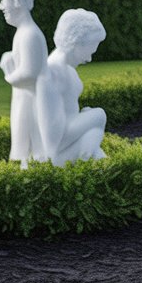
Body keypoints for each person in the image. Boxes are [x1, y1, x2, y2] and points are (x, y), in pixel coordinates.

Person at [41, 9, 107, 166]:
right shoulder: (52, 73)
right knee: (98, 114)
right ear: (76, 42)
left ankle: (89, 141)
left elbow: (73, 118)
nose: (90, 59)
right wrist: (97, 118)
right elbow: (53, 141)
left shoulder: (68, 70)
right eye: (89, 50)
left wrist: (93, 134)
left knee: (95, 149)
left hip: (71, 144)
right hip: (56, 156)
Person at [0, 0, 52, 167]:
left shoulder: (29, 34)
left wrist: (8, 74)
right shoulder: (23, 33)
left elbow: (29, 73)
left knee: (33, 144)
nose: (1, 6)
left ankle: (34, 176)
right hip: (24, 99)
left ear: (17, 2)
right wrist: (10, 57)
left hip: (31, 102)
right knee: (25, 145)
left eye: (3, 0)